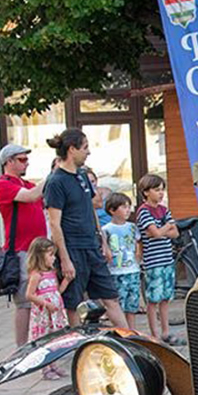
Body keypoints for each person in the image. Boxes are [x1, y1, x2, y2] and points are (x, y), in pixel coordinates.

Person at [43, 129, 127, 328]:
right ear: (72, 149)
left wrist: (103, 242)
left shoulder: (82, 176)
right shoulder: (56, 182)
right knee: (74, 304)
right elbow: (55, 223)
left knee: (111, 298)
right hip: (72, 248)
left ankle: (131, 341)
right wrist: (64, 259)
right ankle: (77, 347)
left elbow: (91, 209)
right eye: (85, 147)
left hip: (92, 246)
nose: (88, 152)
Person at [0, 143, 49, 347]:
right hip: (21, 250)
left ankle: (40, 343)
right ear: (9, 162)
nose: (27, 163)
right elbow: (32, 196)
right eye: (22, 159)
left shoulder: (26, 183)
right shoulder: (3, 184)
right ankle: (21, 348)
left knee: (42, 297)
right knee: (25, 302)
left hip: (39, 250)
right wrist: (52, 175)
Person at [135, 174, 179, 340]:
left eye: (162, 190)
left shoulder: (164, 210)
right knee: (153, 300)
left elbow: (175, 233)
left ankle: (166, 331)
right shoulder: (143, 211)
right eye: (156, 190)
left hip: (167, 259)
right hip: (153, 262)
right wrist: (166, 226)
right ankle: (154, 333)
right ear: (146, 192)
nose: (161, 193)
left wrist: (162, 230)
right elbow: (156, 232)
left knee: (166, 298)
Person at [24, 236, 69, 378]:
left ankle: (54, 365)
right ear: (39, 255)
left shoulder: (52, 273)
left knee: (53, 339)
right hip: (43, 315)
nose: (53, 258)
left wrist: (66, 281)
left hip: (54, 313)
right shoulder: (37, 275)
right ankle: (45, 368)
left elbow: (56, 291)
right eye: (50, 255)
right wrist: (45, 303)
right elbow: (29, 295)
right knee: (45, 339)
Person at [101, 192, 142, 331]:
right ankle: (122, 331)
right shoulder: (106, 229)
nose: (128, 210)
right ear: (112, 210)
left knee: (132, 305)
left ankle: (132, 332)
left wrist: (138, 254)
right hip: (116, 271)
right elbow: (104, 247)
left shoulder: (132, 226)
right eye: (124, 207)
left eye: (129, 207)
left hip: (133, 270)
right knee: (119, 304)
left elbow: (137, 242)